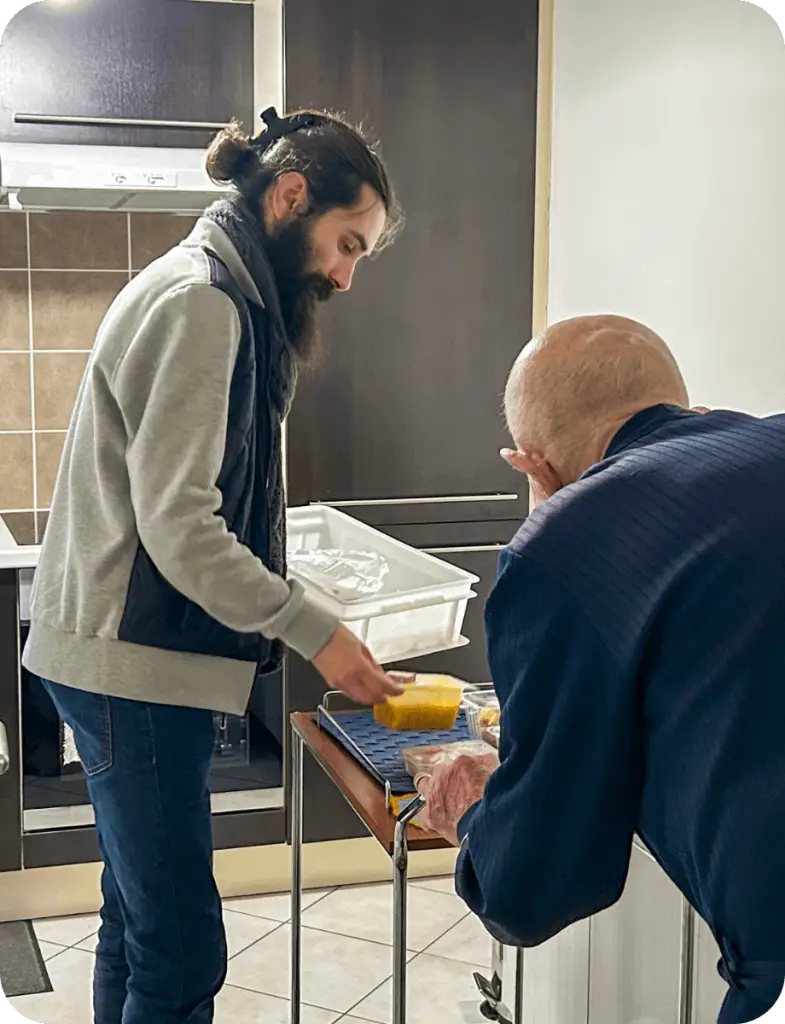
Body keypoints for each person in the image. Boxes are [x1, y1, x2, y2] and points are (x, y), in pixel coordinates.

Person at [21, 107, 406, 1024]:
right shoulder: (203, 301)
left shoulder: (207, 286)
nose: (346, 276)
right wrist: (321, 632)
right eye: (346, 243)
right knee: (184, 950)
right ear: (287, 195)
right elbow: (183, 531)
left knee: (139, 924)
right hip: (136, 675)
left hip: (120, 662)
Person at [418, 314, 785, 1024]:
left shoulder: (568, 538)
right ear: (691, 407)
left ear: (533, 465)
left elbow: (536, 882)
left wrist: (471, 817)